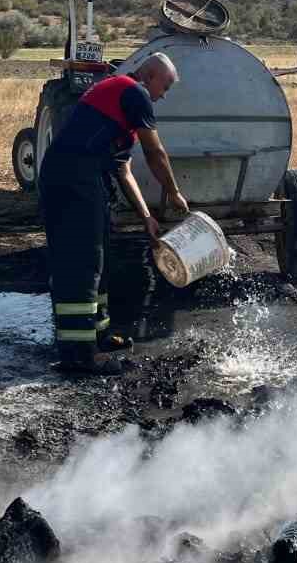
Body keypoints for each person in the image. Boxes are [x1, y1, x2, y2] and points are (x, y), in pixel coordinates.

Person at [37, 53, 189, 374]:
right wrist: (173, 192)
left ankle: (99, 336)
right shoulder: (132, 91)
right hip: (73, 178)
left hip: (84, 179)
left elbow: (124, 171)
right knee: (81, 261)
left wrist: (146, 215)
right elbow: (155, 152)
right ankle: (79, 355)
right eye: (167, 85)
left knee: (100, 259)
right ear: (150, 76)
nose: (164, 94)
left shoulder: (120, 105)